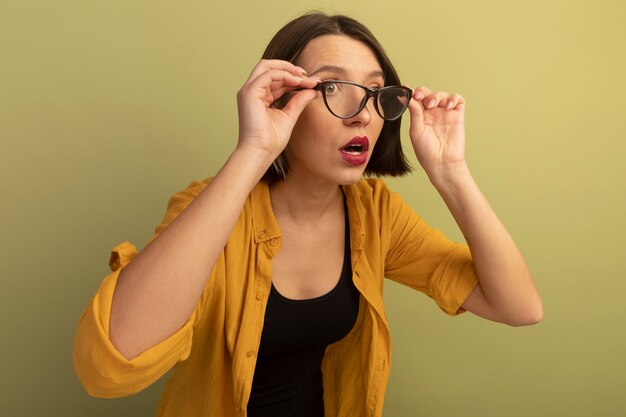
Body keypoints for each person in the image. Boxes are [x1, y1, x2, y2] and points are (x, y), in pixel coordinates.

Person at [73, 11, 543, 417]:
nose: (363, 114)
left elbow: (518, 307)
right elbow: (110, 368)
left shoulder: (376, 215)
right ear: (281, 98)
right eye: (334, 86)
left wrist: (452, 171)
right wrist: (253, 149)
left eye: (376, 92)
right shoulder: (210, 209)